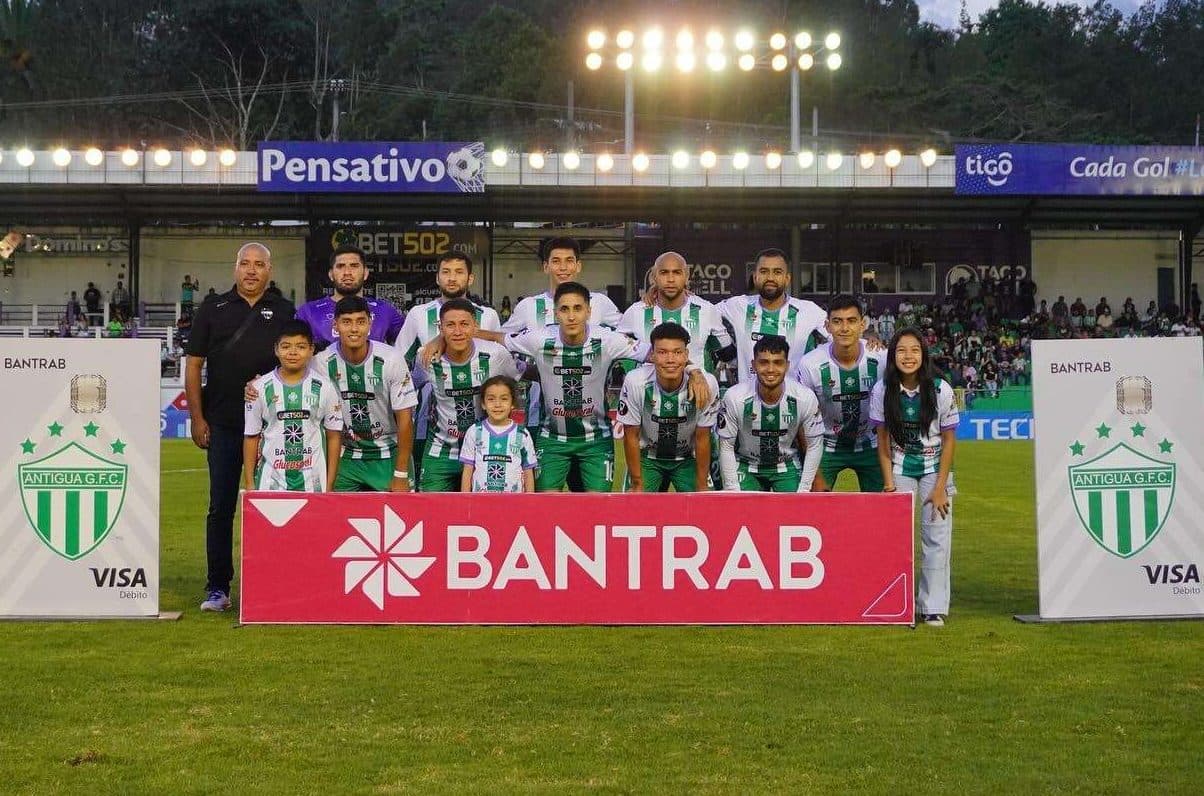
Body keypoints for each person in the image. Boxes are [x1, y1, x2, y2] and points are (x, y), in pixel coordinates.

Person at [504, 282, 709, 492]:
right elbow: (499, 340)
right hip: (552, 438)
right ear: (556, 313)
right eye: (564, 309)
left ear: (589, 311)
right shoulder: (539, 338)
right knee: (546, 501)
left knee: (598, 503)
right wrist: (522, 370)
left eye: (577, 308)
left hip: (596, 440)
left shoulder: (607, 339)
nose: (571, 316)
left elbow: (661, 353)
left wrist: (694, 370)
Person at [185, 242, 295, 613]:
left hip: (273, 428)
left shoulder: (284, 310)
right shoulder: (212, 308)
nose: (251, 270)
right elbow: (194, 365)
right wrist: (197, 418)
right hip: (224, 424)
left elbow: (295, 360)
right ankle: (218, 587)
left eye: (259, 264)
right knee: (220, 507)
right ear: (235, 268)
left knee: (275, 506)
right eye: (245, 263)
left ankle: (275, 583)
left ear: (269, 270)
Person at [870, 328, 960, 627]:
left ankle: (932, 607)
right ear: (892, 356)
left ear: (923, 355)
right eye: (901, 350)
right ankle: (899, 604)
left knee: (937, 538)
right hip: (899, 468)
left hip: (934, 470)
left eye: (914, 350)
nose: (908, 356)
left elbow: (949, 440)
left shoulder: (941, 389)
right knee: (895, 539)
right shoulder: (882, 390)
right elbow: (882, 440)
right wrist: (888, 483)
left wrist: (941, 487)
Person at [395, 252, 502, 484]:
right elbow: (399, 364)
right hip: (432, 425)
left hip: (481, 423)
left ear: (470, 278)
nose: (452, 278)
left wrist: (442, 338)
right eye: (446, 272)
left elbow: (499, 359)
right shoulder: (418, 314)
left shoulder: (489, 316)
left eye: (459, 272)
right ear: (437, 278)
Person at [412, 298, 519, 492]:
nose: (458, 331)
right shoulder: (426, 357)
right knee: (430, 506)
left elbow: (514, 387)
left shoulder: (496, 355)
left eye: (464, 324)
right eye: (450, 325)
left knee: (483, 508)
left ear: (475, 326)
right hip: (441, 449)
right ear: (441, 328)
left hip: (485, 449)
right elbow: (411, 390)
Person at [316, 296, 418, 493]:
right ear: (335, 325)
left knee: (400, 511)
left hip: (388, 452)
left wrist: (401, 473)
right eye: (346, 322)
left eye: (360, 322)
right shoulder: (321, 362)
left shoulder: (392, 359)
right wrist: (257, 384)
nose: (354, 329)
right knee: (335, 512)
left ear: (370, 324)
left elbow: (405, 419)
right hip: (345, 455)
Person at [795, 295, 887, 492]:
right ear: (827, 326)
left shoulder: (881, 358)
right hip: (826, 447)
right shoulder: (810, 364)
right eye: (837, 321)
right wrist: (815, 473)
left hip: (871, 445)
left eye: (851, 321)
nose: (844, 328)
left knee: (880, 507)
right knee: (816, 506)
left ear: (862, 325)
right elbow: (802, 419)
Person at [242, 321, 343, 492]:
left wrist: (329, 484)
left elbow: (334, 437)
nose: (293, 352)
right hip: (270, 484)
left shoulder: (325, 387)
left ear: (311, 350)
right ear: (276, 349)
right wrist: (250, 484)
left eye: (301, 347)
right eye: (286, 346)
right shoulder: (257, 388)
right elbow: (251, 436)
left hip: (314, 485)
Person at [618, 322, 719, 492]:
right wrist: (637, 484)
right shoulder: (635, 381)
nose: (670, 360)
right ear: (652, 355)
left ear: (686, 355)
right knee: (635, 504)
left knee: (704, 504)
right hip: (647, 458)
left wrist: (702, 486)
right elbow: (631, 436)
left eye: (677, 352)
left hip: (687, 459)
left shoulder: (706, 384)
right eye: (662, 352)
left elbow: (702, 438)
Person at [717, 334, 825, 492]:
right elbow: (726, 446)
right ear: (753, 365)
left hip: (785, 464)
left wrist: (804, 488)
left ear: (787, 366)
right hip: (745, 464)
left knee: (795, 507)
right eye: (764, 362)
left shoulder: (805, 397)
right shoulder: (735, 397)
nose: (771, 369)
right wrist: (732, 489)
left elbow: (815, 444)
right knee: (742, 507)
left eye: (778, 363)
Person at [715, 247, 828, 383]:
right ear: (755, 277)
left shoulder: (809, 310)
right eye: (764, 272)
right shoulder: (738, 305)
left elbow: (840, 335)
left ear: (787, 279)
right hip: (747, 395)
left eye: (777, 272)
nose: (770, 278)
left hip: (793, 395)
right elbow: (705, 312)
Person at [617, 251, 734, 376]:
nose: (671, 279)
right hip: (648, 387)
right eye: (664, 273)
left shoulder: (706, 310)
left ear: (686, 276)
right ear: (654, 276)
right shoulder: (636, 312)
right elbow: (616, 349)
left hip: (696, 386)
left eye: (677, 272)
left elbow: (726, 353)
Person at [501, 237, 623, 334]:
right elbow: (501, 339)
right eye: (556, 261)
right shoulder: (528, 306)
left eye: (569, 261)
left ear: (578, 266)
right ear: (546, 267)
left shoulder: (599, 301)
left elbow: (628, 331)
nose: (563, 267)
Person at [295, 244, 404, 350]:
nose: (347, 272)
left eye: (354, 266)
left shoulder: (384, 310)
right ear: (331, 274)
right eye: (340, 266)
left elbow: (407, 348)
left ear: (365, 273)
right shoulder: (308, 312)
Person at [458, 375, 538, 493]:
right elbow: (468, 470)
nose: (497, 404)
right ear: (483, 404)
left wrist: (529, 500)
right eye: (491, 399)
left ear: (512, 403)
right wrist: (465, 499)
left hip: (513, 502)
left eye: (504, 399)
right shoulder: (474, 431)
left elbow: (528, 471)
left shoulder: (522, 434)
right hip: (481, 501)